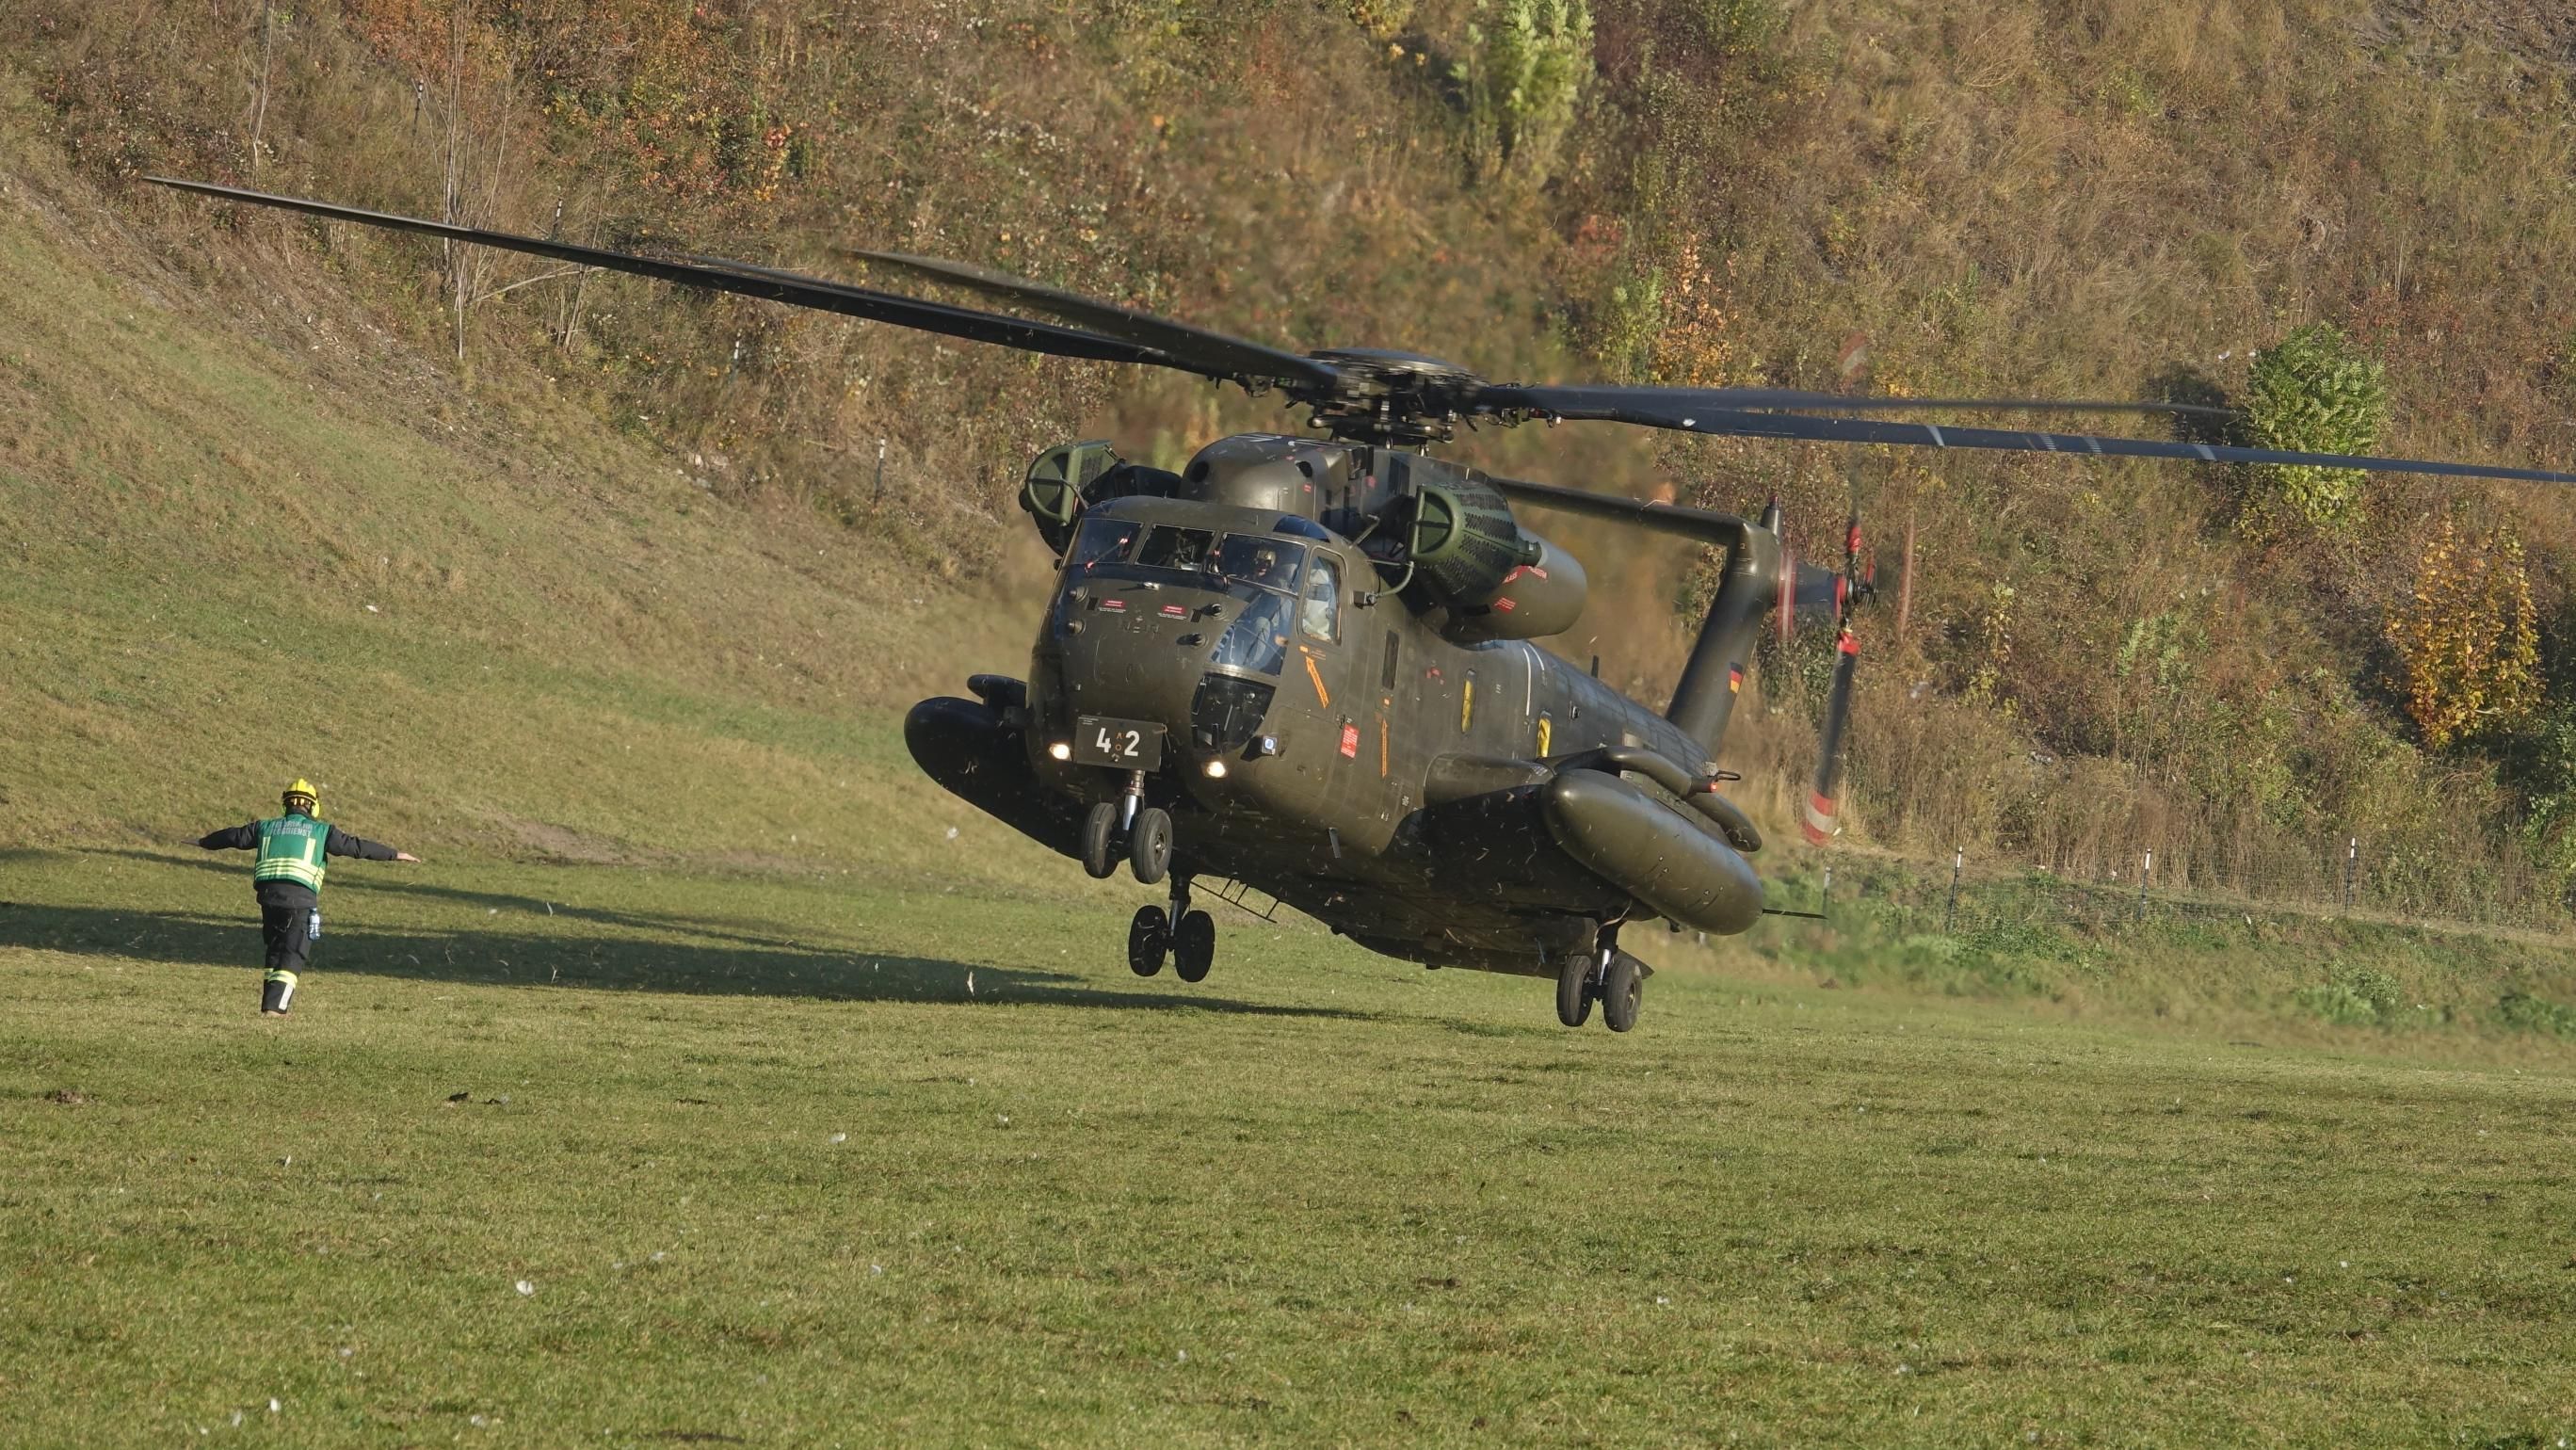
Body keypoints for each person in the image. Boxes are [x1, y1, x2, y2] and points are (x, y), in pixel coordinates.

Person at [196, 779, 418, 1016]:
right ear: (313, 807)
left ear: (285, 805)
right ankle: (274, 1009)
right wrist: (395, 854)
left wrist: (203, 842)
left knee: (275, 950)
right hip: (299, 902)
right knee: (293, 953)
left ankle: (269, 1005)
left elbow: (233, 836)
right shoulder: (322, 831)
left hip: (268, 900)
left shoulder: (265, 827)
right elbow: (356, 847)